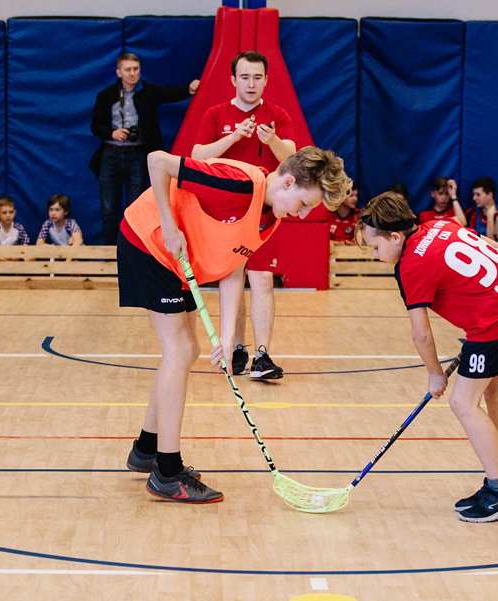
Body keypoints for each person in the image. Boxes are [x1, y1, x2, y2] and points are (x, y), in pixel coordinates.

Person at [119, 145, 351, 503]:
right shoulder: (238, 185)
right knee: (179, 352)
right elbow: (158, 161)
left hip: (177, 259)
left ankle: (146, 448)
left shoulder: (269, 219)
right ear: (288, 182)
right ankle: (166, 471)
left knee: (189, 349)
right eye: (304, 203)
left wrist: (227, 339)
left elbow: (232, 269)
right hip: (149, 241)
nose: (303, 214)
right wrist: (167, 223)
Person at [358, 191, 498, 523]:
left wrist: (435, 373)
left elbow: (421, 334)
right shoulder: (437, 224)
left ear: (396, 236)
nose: (374, 254)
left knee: (462, 402)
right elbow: (490, 251)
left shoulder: (410, 263)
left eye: (375, 246)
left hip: (496, 319)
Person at [192, 50, 296, 380]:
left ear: (266, 79)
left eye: (258, 77)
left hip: (265, 211)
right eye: (245, 77)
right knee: (231, 277)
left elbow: (292, 160)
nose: (251, 83)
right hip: (228, 213)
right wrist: (233, 137)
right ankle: (237, 348)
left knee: (263, 278)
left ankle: (263, 356)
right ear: (234, 80)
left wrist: (273, 140)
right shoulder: (216, 113)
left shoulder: (277, 114)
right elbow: (197, 157)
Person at [90, 53, 199, 246]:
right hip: (111, 155)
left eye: (136, 69)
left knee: (137, 207)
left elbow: (169, 92)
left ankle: (133, 251)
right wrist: (112, 133)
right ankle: (108, 254)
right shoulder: (105, 95)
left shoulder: (148, 91)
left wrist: (189, 89)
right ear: (119, 72)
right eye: (128, 70)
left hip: (138, 156)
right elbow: (95, 126)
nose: (132, 73)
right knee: (109, 209)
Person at [465, 177, 498, 244]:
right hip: (478, 249)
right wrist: (490, 217)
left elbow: (497, 242)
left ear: (490, 195)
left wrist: (490, 216)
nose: (474, 198)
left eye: (478, 195)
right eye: (474, 194)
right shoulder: (471, 213)